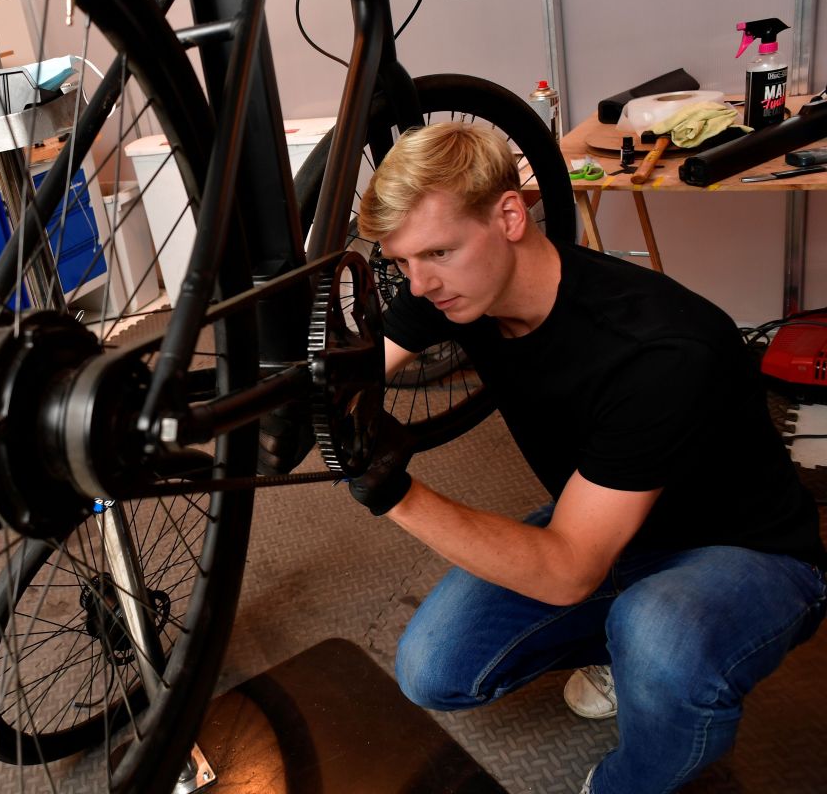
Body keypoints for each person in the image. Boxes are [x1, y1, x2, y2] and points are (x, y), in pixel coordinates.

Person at [343, 121, 827, 793]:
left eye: (436, 254)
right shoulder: (455, 288)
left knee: (658, 639)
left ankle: (633, 774)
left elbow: (569, 570)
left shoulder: (656, 349)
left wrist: (395, 492)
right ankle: (619, 641)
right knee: (435, 668)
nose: (419, 285)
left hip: (749, 552)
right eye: (401, 264)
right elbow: (357, 377)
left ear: (510, 215)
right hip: (609, 524)